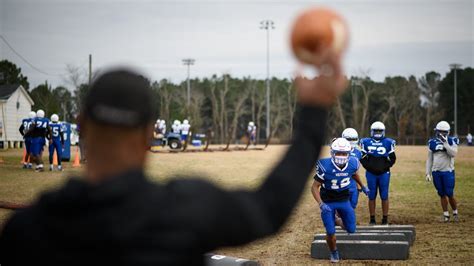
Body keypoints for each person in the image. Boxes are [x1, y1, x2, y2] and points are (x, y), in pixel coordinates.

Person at [0, 57, 347, 265]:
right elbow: (271, 206)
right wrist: (313, 112)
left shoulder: (25, 232)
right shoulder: (184, 209)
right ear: (151, 132)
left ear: (80, 126)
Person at [311, 138, 369, 262]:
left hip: (343, 200)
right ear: (332, 152)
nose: (341, 156)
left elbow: (354, 174)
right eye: (338, 153)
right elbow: (314, 187)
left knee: (351, 229)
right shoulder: (325, 165)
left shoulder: (353, 163)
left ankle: (337, 220)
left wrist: (363, 186)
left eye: (344, 153)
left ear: (349, 154)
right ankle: (334, 252)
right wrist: (321, 204)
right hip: (328, 201)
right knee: (330, 232)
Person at [360, 121, 396, 225]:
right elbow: (362, 158)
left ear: (383, 131)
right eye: (376, 131)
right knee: (371, 196)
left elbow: (393, 159)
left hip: (384, 173)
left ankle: (385, 219)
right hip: (371, 173)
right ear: (372, 131)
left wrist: (383, 167)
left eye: (380, 131)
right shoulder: (366, 142)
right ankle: (372, 219)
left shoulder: (388, 142)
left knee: (384, 195)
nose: (378, 132)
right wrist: (370, 167)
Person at [425, 121, 459, 222]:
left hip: (448, 171)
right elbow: (429, 159)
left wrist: (445, 143)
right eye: (438, 132)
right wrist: (428, 172)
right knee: (441, 193)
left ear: (446, 132)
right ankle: (446, 215)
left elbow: (453, 153)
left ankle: (455, 212)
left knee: (449, 193)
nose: (439, 134)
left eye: (441, 132)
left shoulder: (452, 141)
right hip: (436, 172)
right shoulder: (432, 142)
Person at [341, 127, 362, 209]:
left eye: (353, 139)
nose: (351, 141)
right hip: (341, 180)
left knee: (353, 204)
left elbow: (356, 171)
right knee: (341, 205)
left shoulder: (358, 152)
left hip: (353, 182)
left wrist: (358, 185)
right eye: (349, 139)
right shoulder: (338, 149)